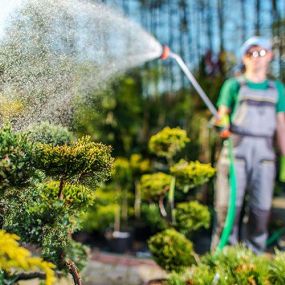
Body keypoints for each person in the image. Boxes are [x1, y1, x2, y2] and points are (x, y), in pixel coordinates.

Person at [211, 36, 285, 254]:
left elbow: (281, 125)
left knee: (260, 211)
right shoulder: (234, 85)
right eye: (250, 54)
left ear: (270, 56)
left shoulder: (277, 88)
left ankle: (252, 259)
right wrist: (220, 124)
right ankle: (223, 257)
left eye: (261, 53)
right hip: (236, 153)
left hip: (265, 157)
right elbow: (221, 116)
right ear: (244, 58)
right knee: (227, 209)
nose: (256, 58)